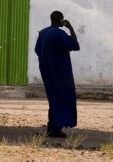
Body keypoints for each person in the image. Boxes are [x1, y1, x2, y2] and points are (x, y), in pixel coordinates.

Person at [34, 10, 80, 138]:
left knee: (53, 99)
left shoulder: (43, 33)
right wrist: (70, 28)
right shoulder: (60, 34)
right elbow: (75, 45)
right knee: (64, 98)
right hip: (61, 73)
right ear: (60, 20)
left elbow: (37, 50)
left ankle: (53, 128)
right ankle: (56, 127)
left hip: (47, 72)